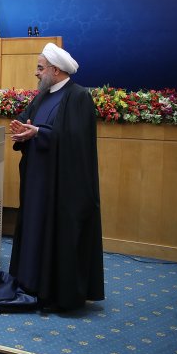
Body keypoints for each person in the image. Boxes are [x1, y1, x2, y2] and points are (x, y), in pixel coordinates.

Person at [9, 42, 104, 310]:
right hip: (36, 180)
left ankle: (52, 291)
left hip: (61, 184)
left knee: (55, 233)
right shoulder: (42, 95)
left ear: (56, 70)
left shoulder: (78, 96)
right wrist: (23, 130)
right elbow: (28, 120)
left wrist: (39, 133)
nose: (36, 73)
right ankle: (30, 281)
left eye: (40, 68)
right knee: (34, 227)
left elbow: (76, 140)